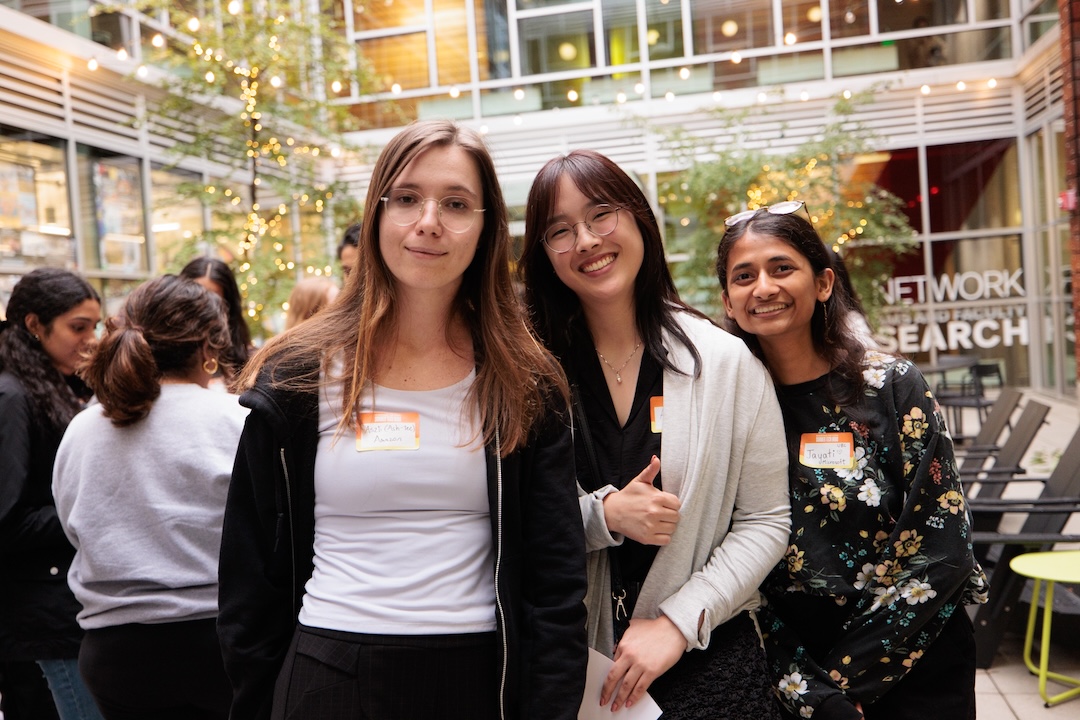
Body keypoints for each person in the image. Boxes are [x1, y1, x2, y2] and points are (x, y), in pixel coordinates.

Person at [217, 119, 588, 720]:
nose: (429, 221)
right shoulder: (297, 375)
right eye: (408, 198)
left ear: (486, 228)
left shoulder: (525, 379)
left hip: (479, 680)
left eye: (457, 204)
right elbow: (248, 576)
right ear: (377, 216)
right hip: (330, 677)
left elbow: (556, 584)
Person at [519, 149, 790, 717]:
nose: (587, 240)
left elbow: (766, 520)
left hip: (704, 660)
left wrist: (676, 622)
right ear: (545, 255)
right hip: (570, 667)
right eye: (560, 231)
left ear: (639, 217)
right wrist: (603, 517)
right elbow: (505, 516)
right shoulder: (527, 372)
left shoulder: (724, 361)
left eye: (600, 214)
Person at [715, 203, 989, 719]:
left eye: (781, 268)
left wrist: (846, 682)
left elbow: (943, 542)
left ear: (822, 283)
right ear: (728, 301)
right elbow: (724, 554)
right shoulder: (727, 408)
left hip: (915, 655)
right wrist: (808, 691)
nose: (764, 287)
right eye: (743, 276)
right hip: (795, 674)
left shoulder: (890, 386)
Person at [52, 275, 249, 720]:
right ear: (208, 349)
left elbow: (72, 523)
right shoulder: (234, 419)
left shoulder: (85, 425)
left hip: (115, 651)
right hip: (219, 641)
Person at [0, 268, 104, 720]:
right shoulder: (12, 397)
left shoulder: (57, 387)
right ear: (34, 325)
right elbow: (8, 519)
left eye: (95, 327)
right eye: (78, 328)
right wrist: (93, 509)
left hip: (58, 608)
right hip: (38, 616)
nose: (90, 340)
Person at [179, 256, 253, 374]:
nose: (205, 307)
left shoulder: (248, 360)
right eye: (197, 297)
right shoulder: (166, 357)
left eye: (214, 299)